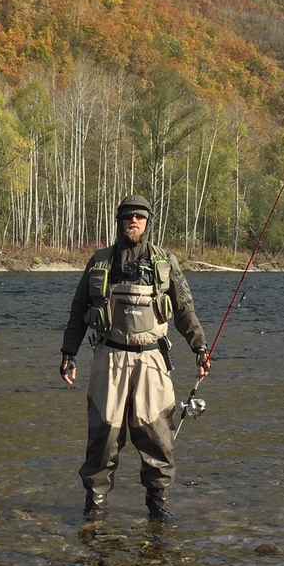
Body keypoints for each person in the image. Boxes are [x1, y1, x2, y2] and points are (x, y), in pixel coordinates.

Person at [60, 194, 210, 523]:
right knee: (103, 435)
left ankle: (158, 504)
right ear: (119, 222)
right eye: (128, 217)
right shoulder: (99, 262)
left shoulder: (165, 263)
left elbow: (185, 311)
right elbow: (77, 311)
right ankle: (96, 503)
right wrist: (68, 353)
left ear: (147, 223)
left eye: (139, 218)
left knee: (157, 435)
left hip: (152, 360)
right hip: (109, 358)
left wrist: (200, 348)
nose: (133, 222)